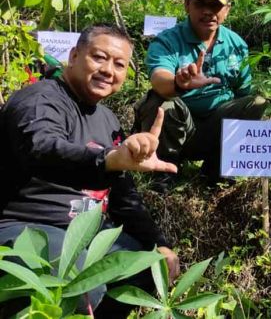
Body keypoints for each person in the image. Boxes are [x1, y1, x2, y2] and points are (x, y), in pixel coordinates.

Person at [0, 25, 179, 317]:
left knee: (148, 268)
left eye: (119, 64)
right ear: (73, 56)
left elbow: (123, 196)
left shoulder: (107, 119)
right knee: (81, 282)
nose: (108, 70)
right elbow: (42, 148)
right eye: (99, 57)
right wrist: (106, 159)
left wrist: (159, 243)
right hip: (27, 226)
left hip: (88, 233)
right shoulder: (39, 100)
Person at [134, 0, 269, 184]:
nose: (208, 12)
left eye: (215, 6)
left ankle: (218, 170)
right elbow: (159, 80)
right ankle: (164, 172)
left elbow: (243, 92)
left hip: (216, 123)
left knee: (256, 103)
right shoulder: (168, 41)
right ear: (187, 4)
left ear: (227, 10)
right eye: (200, 4)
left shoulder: (236, 44)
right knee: (162, 104)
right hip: (179, 126)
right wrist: (179, 83)